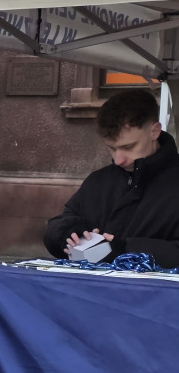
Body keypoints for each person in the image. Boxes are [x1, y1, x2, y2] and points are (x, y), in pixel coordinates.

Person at [44, 88, 179, 267]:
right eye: (112, 148)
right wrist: (67, 235)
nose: (118, 160)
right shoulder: (98, 181)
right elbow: (61, 223)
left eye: (129, 147)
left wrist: (125, 251)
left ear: (154, 132)